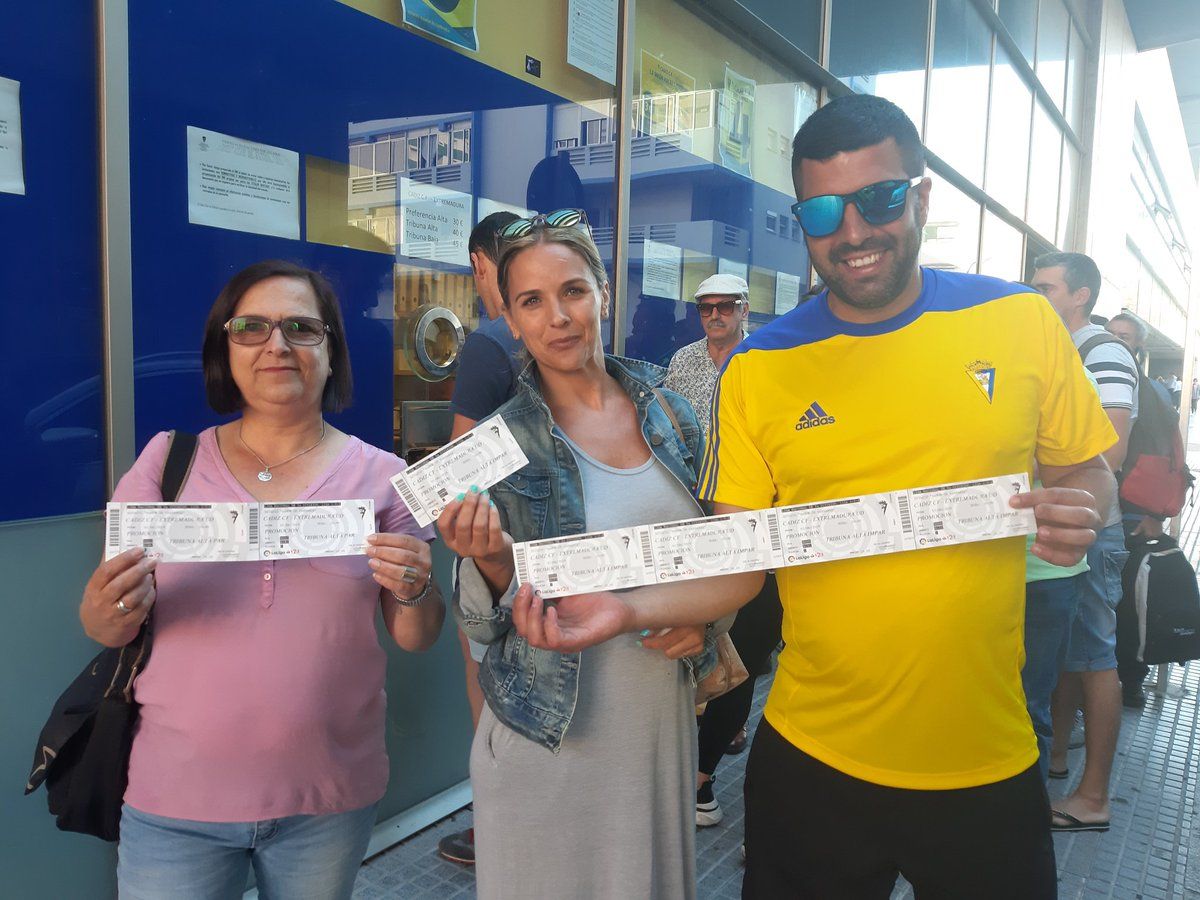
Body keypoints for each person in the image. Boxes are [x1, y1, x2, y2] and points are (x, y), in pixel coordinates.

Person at [501, 94, 1116, 899]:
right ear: (803, 222)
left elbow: (1087, 470)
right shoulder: (760, 367)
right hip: (811, 761)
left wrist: (1086, 507)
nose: (854, 232)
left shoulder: (1020, 322)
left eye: (880, 199)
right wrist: (629, 608)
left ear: (922, 197)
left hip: (986, 760)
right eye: (825, 211)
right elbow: (739, 562)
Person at [79, 261, 444, 899]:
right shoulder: (168, 462)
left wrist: (415, 586)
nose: (277, 345)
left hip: (327, 797)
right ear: (226, 350)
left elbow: (416, 635)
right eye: (251, 328)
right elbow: (104, 624)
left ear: (331, 353)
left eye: (302, 328)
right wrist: (109, 607)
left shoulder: (384, 477)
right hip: (176, 798)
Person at [435, 212, 755, 899]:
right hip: (550, 737)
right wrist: (491, 561)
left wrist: (705, 627)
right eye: (532, 301)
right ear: (510, 318)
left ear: (603, 293)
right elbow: (486, 628)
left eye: (573, 291)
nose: (559, 317)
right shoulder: (496, 446)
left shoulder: (675, 415)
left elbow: (725, 561)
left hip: (656, 731)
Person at [664, 273, 783, 828]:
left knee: (741, 648)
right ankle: (699, 753)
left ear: (744, 309)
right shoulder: (684, 360)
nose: (715, 315)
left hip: (752, 523)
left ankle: (700, 782)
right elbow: (660, 426)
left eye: (725, 306)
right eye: (706, 307)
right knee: (695, 643)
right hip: (691, 518)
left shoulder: (767, 358)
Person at [1033, 252, 1134, 833]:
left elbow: (1108, 452)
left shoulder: (1102, 352)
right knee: (1071, 654)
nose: (1037, 294)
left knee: (1095, 656)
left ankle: (1093, 795)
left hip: (1093, 524)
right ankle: (1060, 760)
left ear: (1082, 296)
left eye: (1047, 287)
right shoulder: (1060, 348)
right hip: (1065, 522)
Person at [436, 209, 520, 866]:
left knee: (485, 682)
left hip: (494, 552)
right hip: (558, 553)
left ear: (480, 263)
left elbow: (464, 467)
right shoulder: (560, 338)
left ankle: (496, 822)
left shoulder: (490, 343)